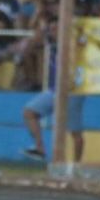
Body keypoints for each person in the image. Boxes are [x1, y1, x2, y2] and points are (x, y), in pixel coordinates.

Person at [22, 20, 84, 163]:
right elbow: (29, 46)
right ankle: (40, 148)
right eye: (51, 29)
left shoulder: (75, 45)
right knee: (29, 111)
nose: (52, 31)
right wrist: (42, 31)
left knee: (75, 132)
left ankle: (76, 165)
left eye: (55, 29)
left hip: (74, 90)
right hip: (56, 88)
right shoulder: (52, 44)